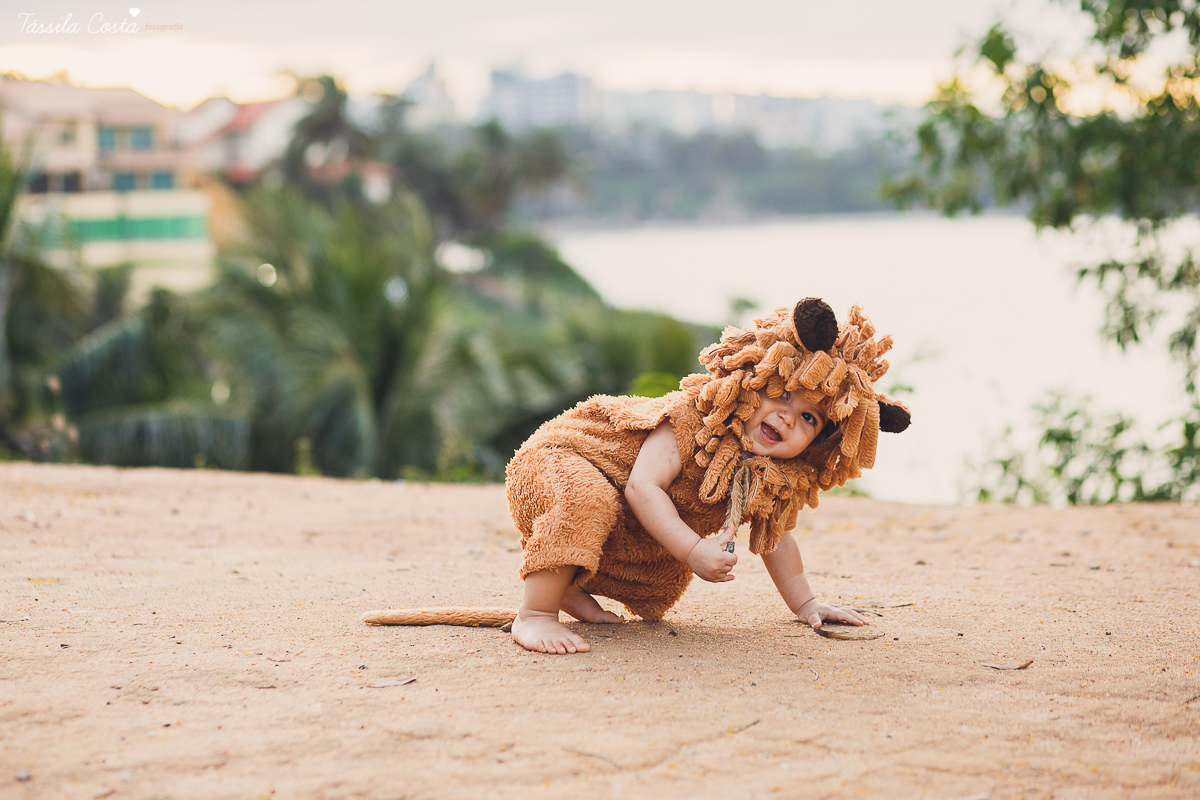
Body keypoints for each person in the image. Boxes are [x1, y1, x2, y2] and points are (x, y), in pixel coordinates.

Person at [505, 298, 911, 654]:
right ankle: (536, 612)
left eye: (808, 417)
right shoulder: (695, 419)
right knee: (587, 501)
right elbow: (642, 487)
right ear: (752, 377)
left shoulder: (768, 474)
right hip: (563, 460)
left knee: (655, 579)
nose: (787, 416)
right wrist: (695, 551)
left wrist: (806, 604)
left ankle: (569, 586)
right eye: (781, 393)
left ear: (822, 441)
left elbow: (777, 539)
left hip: (617, 507)